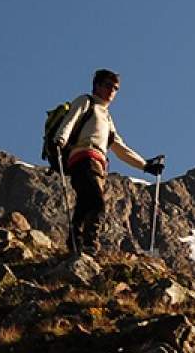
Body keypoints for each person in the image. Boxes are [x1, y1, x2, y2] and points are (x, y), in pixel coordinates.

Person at [49, 69, 165, 255]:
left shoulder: (107, 117)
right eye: (108, 85)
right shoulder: (86, 102)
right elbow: (70, 120)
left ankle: (75, 243)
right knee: (97, 203)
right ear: (97, 86)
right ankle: (89, 244)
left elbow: (119, 147)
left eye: (116, 88)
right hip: (84, 157)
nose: (112, 90)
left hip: (97, 164)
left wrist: (145, 165)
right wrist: (60, 140)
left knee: (85, 203)